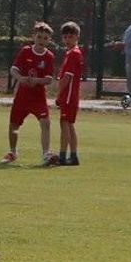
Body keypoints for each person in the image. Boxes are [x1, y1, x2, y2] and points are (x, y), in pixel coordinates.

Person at [3, 21, 56, 165]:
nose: (41, 40)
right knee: (14, 124)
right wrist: (21, 78)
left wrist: (36, 81)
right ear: (33, 36)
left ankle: (46, 154)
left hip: (38, 97)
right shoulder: (25, 51)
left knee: (45, 123)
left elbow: (49, 79)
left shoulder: (49, 56)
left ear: (49, 40)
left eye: (45, 38)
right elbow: (13, 69)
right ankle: (13, 152)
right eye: (39, 37)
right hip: (23, 96)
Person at [55, 21, 84, 166]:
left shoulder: (73, 54)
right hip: (71, 95)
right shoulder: (70, 53)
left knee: (64, 124)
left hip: (68, 95)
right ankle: (73, 156)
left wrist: (59, 94)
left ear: (77, 37)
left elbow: (67, 77)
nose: (67, 40)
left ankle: (62, 155)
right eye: (65, 37)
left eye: (70, 37)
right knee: (70, 124)